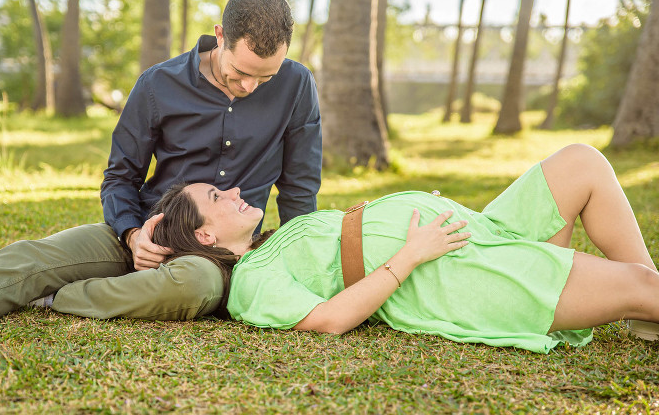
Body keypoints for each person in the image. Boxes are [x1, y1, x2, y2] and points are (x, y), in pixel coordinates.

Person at [0, 0, 322, 345]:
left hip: (223, 256)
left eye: (265, 78)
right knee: (31, 258)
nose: (250, 86)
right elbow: (120, 177)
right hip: (148, 231)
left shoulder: (297, 84)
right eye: (241, 71)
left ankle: (60, 297)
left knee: (196, 287)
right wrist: (133, 235)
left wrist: (293, 263)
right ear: (220, 36)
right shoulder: (158, 85)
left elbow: (300, 190)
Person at [129, 144, 659, 354]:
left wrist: (424, 211)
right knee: (641, 285)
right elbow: (329, 320)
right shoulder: (248, 283)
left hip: (470, 231)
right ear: (204, 237)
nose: (237, 191)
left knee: (583, 162)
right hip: (451, 276)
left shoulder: (274, 239)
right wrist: (411, 254)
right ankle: (644, 303)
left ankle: (645, 316)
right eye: (217, 197)